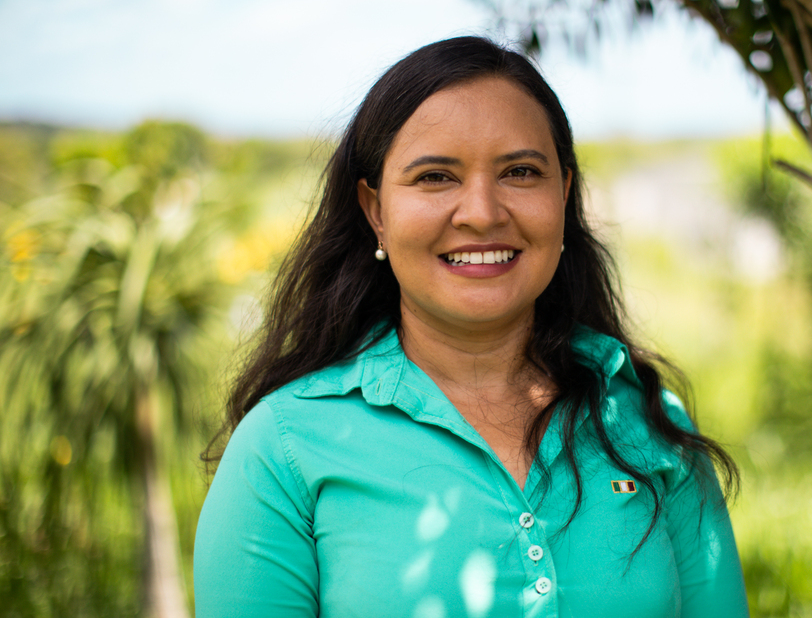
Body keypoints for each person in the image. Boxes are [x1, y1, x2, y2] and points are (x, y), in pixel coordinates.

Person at [193, 36, 749, 617]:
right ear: (375, 210)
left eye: (520, 171)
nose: (482, 212)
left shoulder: (646, 422)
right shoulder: (284, 446)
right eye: (435, 177)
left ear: (564, 193)